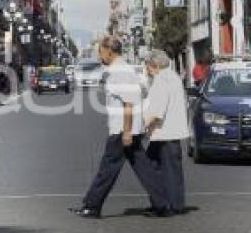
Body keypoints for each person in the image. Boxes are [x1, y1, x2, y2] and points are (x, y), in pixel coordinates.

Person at [72, 36, 170, 218]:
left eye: (100, 51)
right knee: (144, 168)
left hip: (123, 130)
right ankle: (163, 203)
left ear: (109, 51)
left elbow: (129, 103)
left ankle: (92, 206)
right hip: (128, 128)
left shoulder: (120, 72)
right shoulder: (121, 70)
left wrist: (126, 131)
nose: (99, 56)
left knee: (107, 169)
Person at [143, 50, 189, 215]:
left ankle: (168, 205)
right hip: (171, 133)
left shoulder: (161, 80)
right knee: (165, 169)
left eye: (147, 66)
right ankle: (168, 203)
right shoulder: (173, 77)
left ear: (153, 65)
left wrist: (142, 127)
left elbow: (157, 111)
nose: (146, 70)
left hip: (164, 133)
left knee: (156, 169)